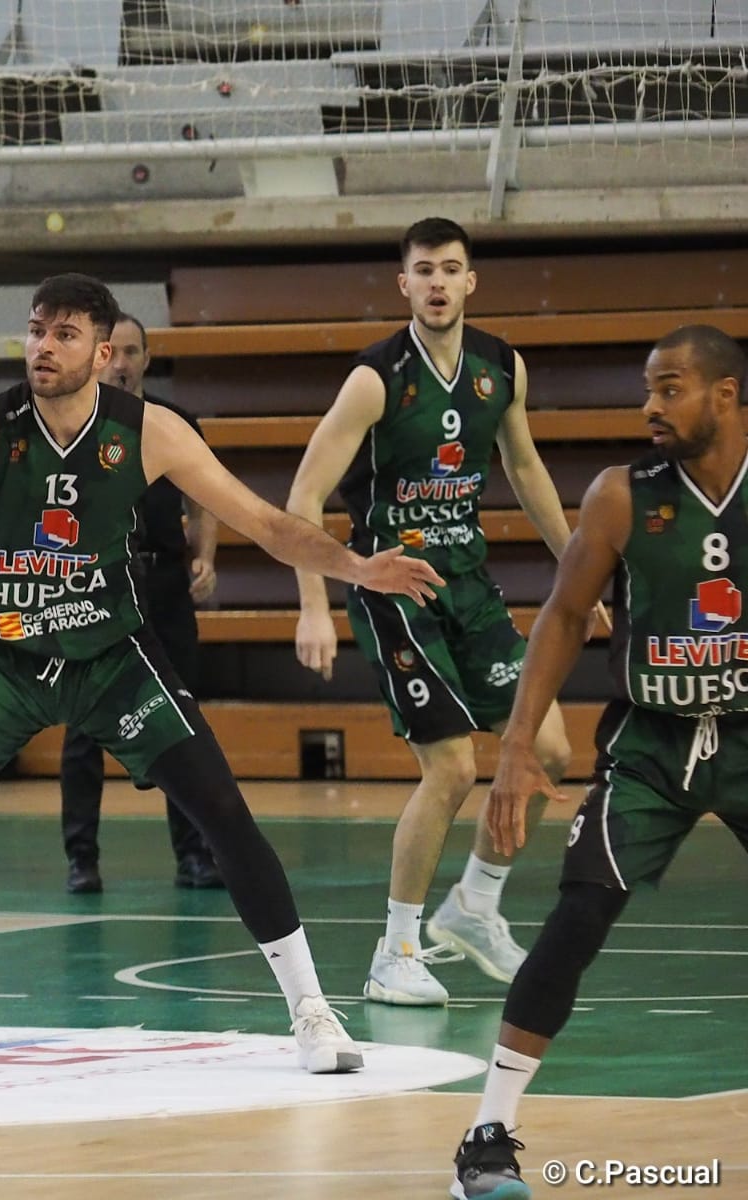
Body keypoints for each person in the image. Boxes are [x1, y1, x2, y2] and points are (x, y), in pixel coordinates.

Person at [0, 273, 445, 1076]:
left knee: (223, 811)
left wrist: (356, 567)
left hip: (113, 658)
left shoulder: (149, 431)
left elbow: (263, 522)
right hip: (9, 659)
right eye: (37, 329)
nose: (43, 346)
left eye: (65, 334)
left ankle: (311, 1011)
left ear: (103, 351)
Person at [449, 324, 748, 1198]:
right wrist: (513, 747)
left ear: (726, 396)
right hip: (650, 744)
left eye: (672, 387)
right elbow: (564, 615)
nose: (651, 405)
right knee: (578, 919)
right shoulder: (623, 495)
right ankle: (486, 1138)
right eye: (649, 389)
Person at [287, 216, 588, 1007]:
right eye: (424, 271)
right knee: (453, 766)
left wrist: (578, 568)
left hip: (470, 582)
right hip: (396, 588)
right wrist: (313, 605)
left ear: (471, 280)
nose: (438, 284)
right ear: (405, 284)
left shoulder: (500, 366)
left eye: (451, 269)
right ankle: (395, 951)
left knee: (549, 747)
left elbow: (524, 467)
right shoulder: (374, 378)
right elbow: (305, 496)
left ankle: (475, 904)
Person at [59, 312, 222, 893]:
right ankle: (82, 858)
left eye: (133, 352)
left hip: (164, 584)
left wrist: (204, 557)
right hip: (95, 589)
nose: (123, 363)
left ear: (147, 359)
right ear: (98, 358)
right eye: (114, 352)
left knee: (179, 719)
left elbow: (204, 503)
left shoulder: (177, 423)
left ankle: (195, 855)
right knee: (84, 725)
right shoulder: (68, 425)